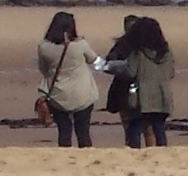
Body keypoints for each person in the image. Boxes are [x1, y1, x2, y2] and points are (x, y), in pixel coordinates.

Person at [36, 12, 108, 150]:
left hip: (58, 94)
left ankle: (65, 157)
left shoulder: (44, 47)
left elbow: (43, 69)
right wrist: (110, 66)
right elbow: (94, 60)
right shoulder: (80, 44)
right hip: (82, 93)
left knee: (64, 132)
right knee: (83, 132)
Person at [106, 15, 176, 148]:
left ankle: (134, 154)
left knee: (135, 128)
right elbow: (170, 73)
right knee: (159, 130)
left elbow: (130, 72)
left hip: (141, 97)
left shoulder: (138, 52)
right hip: (162, 95)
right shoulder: (166, 51)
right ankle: (162, 153)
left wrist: (113, 67)